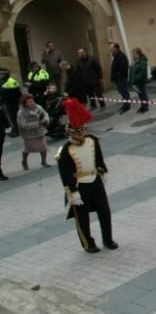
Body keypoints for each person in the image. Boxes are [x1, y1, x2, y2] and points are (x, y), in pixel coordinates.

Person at [56, 99, 117, 253]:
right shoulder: (65, 150)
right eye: (76, 131)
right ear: (69, 131)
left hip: (95, 181)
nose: (80, 133)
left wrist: (103, 172)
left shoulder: (93, 140)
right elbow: (65, 174)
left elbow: (99, 159)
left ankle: (108, 239)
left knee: (105, 211)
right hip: (79, 185)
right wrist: (72, 192)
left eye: (81, 130)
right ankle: (88, 243)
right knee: (82, 218)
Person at [17, 93, 50, 170]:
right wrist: (36, 123)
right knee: (28, 148)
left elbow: (45, 114)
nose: (31, 103)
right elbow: (22, 124)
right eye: (29, 101)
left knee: (43, 147)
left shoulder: (38, 107)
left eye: (32, 101)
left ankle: (44, 162)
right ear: (24, 103)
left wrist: (45, 120)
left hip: (40, 130)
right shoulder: (21, 112)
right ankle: (24, 161)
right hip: (29, 133)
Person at [0, 66, 22, 137]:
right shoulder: (2, 81)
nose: (1, 75)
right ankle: (14, 129)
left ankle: (16, 131)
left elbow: (17, 93)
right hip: (5, 102)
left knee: (14, 117)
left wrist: (6, 97)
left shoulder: (11, 81)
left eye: (2, 74)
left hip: (12, 103)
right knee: (9, 117)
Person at [109, 43, 130, 113]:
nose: (111, 50)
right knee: (121, 92)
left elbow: (123, 68)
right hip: (118, 79)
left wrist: (117, 76)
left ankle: (127, 105)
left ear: (116, 48)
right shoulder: (116, 56)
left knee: (124, 92)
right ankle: (125, 104)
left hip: (121, 78)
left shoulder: (121, 56)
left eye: (112, 48)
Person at [129, 47, 150, 114]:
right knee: (140, 94)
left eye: (135, 54)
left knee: (143, 93)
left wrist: (135, 81)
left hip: (140, 81)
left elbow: (142, 73)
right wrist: (131, 81)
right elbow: (132, 71)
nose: (133, 55)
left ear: (139, 54)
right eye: (133, 54)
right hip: (135, 82)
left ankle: (145, 106)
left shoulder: (142, 62)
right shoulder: (134, 61)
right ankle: (142, 105)